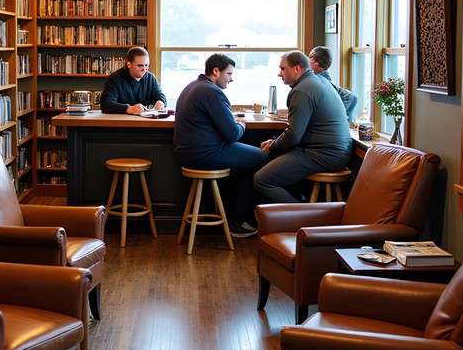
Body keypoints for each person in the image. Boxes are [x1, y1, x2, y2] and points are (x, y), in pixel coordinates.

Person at [174, 53, 267, 236]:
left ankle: (235, 215)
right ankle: (240, 221)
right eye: (229, 74)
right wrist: (241, 124)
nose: (231, 79)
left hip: (187, 153)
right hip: (207, 153)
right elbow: (232, 134)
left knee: (245, 164)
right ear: (216, 71)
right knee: (263, 158)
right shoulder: (212, 91)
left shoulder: (192, 86)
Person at [253, 50, 353, 205]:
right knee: (273, 160)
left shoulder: (301, 90)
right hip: (335, 151)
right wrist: (275, 143)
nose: (280, 74)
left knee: (261, 180)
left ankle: (303, 217)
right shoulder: (320, 81)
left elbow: (293, 136)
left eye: (283, 69)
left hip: (325, 154)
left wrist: (272, 147)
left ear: (297, 69)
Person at [100, 46, 167, 114]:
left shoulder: (151, 78)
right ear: (129, 64)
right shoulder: (115, 78)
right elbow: (105, 104)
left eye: (146, 65)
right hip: (121, 122)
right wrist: (129, 109)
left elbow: (160, 96)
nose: (144, 69)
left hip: (145, 122)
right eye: (140, 66)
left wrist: (161, 102)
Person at [308, 46, 358, 121]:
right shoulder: (323, 82)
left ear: (315, 62)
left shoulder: (319, 83)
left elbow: (351, 98)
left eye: (309, 58)